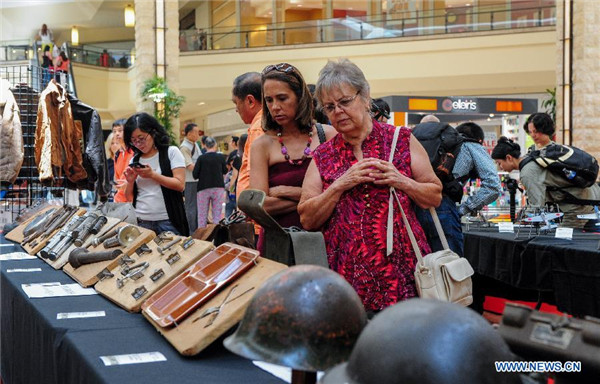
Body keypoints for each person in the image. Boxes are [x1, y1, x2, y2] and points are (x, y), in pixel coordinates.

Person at [298, 59, 442, 312]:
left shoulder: (400, 139)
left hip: (403, 273)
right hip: (346, 276)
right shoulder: (324, 156)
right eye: (330, 107)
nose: (338, 111)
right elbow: (307, 218)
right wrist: (340, 185)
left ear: (365, 97)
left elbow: (434, 195)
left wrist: (401, 181)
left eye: (345, 102)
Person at [249, 62, 336, 235]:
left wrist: (285, 191)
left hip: (325, 241)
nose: (275, 107)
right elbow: (259, 206)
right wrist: (316, 200)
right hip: (278, 245)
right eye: (269, 100)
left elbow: (341, 194)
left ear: (299, 97)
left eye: (282, 98)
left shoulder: (328, 135)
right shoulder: (262, 145)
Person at [416, 121, 501, 256]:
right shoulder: (471, 145)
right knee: (450, 265)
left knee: (420, 265)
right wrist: (464, 209)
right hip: (443, 206)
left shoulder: (422, 145)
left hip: (415, 204)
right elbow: (493, 186)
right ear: (479, 140)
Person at [492, 136, 600, 229]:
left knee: (564, 241)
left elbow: (537, 207)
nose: (500, 167)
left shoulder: (527, 172)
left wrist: (519, 223)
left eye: (499, 163)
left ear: (509, 158)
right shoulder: (533, 158)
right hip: (587, 196)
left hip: (577, 204)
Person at [123, 112, 188, 236]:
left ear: (153, 132)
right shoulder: (135, 160)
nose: (138, 144)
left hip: (168, 220)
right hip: (142, 220)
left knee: (174, 253)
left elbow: (180, 185)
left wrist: (153, 175)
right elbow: (129, 198)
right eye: (133, 141)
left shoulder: (171, 152)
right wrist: (130, 181)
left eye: (141, 139)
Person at [231, 72, 264, 201]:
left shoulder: (258, 127)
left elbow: (254, 178)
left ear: (250, 101)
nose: (236, 109)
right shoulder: (260, 124)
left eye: (236, 103)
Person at [193, 136, 227, 228]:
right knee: (217, 215)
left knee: (202, 215)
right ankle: (216, 236)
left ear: (205, 146)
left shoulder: (201, 158)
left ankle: (202, 238)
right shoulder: (220, 157)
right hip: (218, 187)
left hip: (203, 188)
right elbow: (225, 171)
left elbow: (195, 175)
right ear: (215, 145)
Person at [179, 123, 201, 232]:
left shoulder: (195, 144)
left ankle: (196, 230)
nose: (198, 134)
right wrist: (203, 171)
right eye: (196, 132)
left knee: (196, 206)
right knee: (190, 207)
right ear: (189, 134)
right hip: (190, 181)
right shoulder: (184, 147)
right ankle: (191, 231)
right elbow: (189, 165)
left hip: (197, 180)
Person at [111, 119, 134, 203]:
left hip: (133, 201)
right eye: (114, 131)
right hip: (119, 199)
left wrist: (129, 185)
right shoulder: (117, 154)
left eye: (120, 130)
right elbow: (117, 179)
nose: (117, 134)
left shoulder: (136, 152)